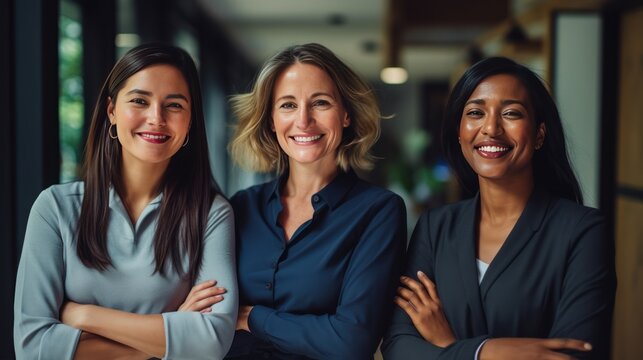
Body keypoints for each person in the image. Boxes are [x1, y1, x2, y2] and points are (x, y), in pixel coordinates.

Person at [381, 56, 616, 360]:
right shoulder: (436, 226)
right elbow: (398, 346)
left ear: (539, 134)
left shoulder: (582, 231)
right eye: (476, 112)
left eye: (511, 113)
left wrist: (447, 344)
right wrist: (485, 352)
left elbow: (573, 355)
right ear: (459, 131)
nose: (491, 128)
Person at [14, 43, 237, 359]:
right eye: (139, 101)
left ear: (190, 121)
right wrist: (167, 336)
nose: (156, 117)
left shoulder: (210, 214)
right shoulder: (54, 208)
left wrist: (85, 317)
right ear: (111, 111)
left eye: (174, 105)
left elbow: (210, 342)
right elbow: (33, 348)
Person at [225, 43, 407, 359]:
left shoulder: (378, 211)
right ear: (270, 120)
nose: (304, 120)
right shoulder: (240, 207)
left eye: (320, 103)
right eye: (287, 105)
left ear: (346, 114)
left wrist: (250, 317)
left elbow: (351, 342)